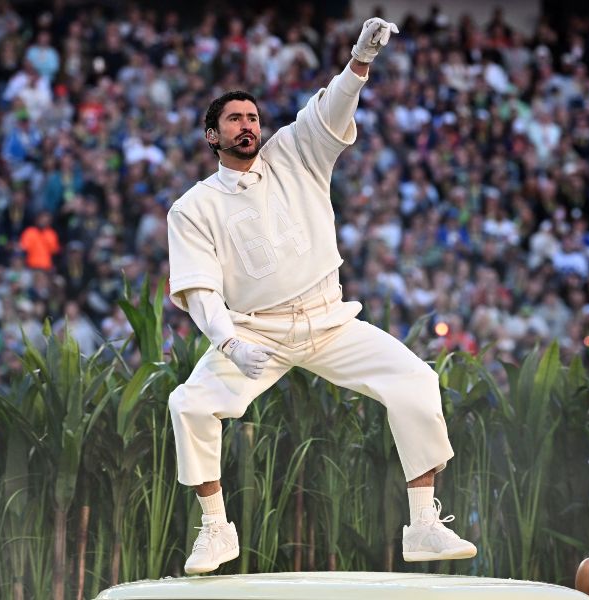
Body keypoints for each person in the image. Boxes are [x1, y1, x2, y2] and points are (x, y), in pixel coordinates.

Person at [166, 17, 476, 575]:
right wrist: (230, 343)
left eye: (252, 117)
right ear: (212, 136)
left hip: (329, 319)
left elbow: (328, 110)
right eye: (234, 119)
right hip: (256, 332)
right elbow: (200, 288)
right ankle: (215, 530)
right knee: (188, 404)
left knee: (416, 381)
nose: (247, 125)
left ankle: (423, 525)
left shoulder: (293, 152)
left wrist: (360, 62)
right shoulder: (192, 207)